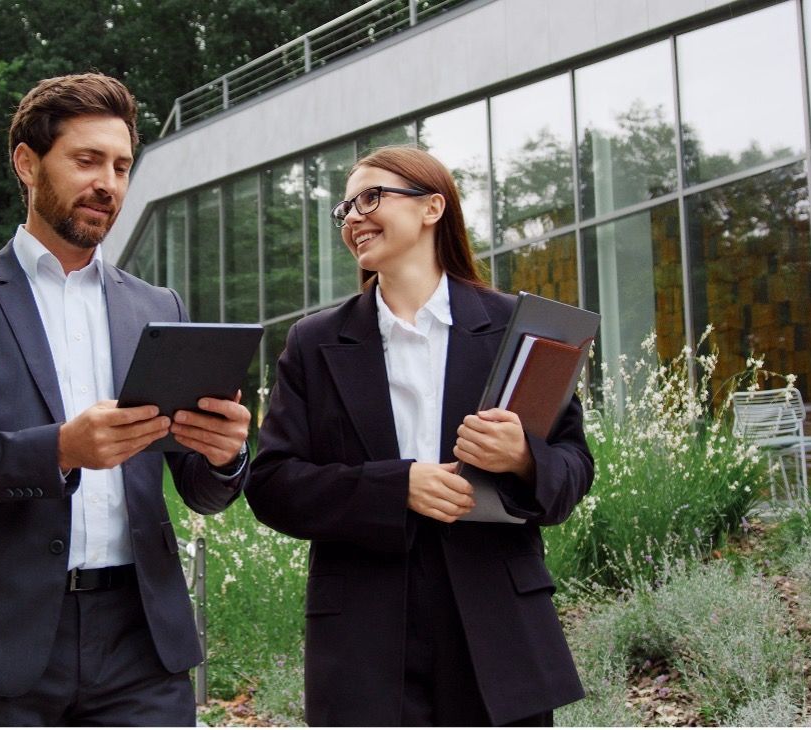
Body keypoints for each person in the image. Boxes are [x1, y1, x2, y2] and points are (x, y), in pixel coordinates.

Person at [0, 72, 252, 726]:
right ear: (28, 164)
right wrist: (59, 449)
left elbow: (199, 487)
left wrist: (225, 456)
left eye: (120, 165)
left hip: (141, 640)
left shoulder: (157, 306)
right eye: (87, 160)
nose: (108, 183)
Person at [244, 146, 593, 726]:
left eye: (371, 197)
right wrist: (396, 486)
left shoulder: (520, 328)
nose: (353, 216)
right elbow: (273, 485)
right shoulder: (314, 342)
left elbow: (574, 466)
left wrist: (525, 459)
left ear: (433, 207)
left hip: (498, 630)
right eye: (346, 207)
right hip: (364, 638)